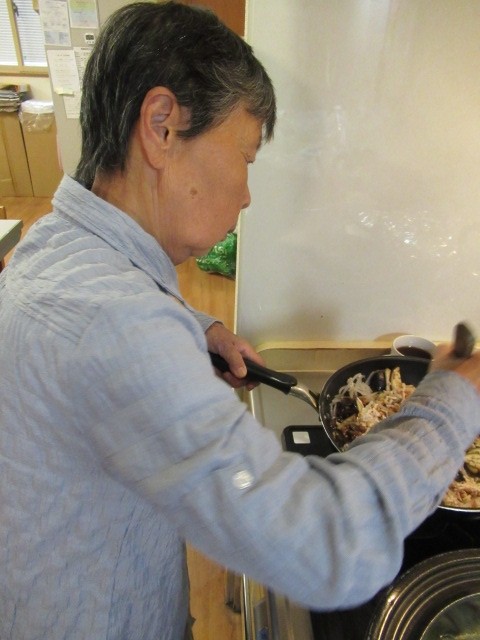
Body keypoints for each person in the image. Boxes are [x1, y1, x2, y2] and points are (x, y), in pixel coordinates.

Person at [1, 2, 480, 639]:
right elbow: (327, 545)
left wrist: (196, 328)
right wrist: (452, 400)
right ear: (162, 127)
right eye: (246, 157)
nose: (248, 194)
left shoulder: (51, 245)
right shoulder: (117, 328)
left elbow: (105, 325)